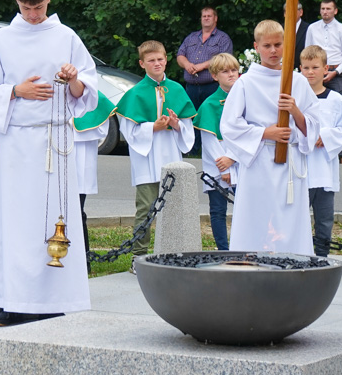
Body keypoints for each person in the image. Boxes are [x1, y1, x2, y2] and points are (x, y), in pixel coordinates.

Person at [0, 0, 97, 327]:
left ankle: (54, 298)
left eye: (39, 7)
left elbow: (86, 94)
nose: (32, 15)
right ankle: (8, 299)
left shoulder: (66, 36)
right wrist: (16, 91)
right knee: (13, 223)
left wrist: (73, 78)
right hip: (16, 142)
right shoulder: (1, 40)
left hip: (54, 141)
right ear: (17, 2)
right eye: (26, 8)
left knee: (52, 220)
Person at [220, 20, 321, 255]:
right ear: (257, 47)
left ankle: (293, 260)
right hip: (259, 161)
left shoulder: (297, 81)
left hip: (290, 161)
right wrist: (266, 132)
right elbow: (230, 126)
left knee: (289, 219)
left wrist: (295, 110)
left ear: (286, 45)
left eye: (278, 44)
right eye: (267, 46)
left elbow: (314, 125)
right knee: (257, 216)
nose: (273, 51)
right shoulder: (245, 82)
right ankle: (250, 261)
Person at [117, 40, 196, 271]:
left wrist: (176, 124)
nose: (157, 63)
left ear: (166, 60)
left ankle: (169, 254)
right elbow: (128, 131)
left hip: (171, 155)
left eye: (160, 59)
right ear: (142, 64)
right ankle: (138, 256)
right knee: (146, 208)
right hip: (146, 159)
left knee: (171, 207)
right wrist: (153, 127)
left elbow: (188, 129)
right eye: (151, 60)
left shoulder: (178, 90)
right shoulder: (136, 93)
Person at [300, 45, 342, 257]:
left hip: (324, 169)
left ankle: (322, 255)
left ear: (325, 69)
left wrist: (326, 137)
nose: (310, 72)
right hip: (302, 170)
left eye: (315, 67)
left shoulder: (335, 100)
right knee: (299, 217)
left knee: (324, 217)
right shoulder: (296, 99)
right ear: (299, 69)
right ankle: (300, 253)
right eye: (306, 67)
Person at [193, 52, 241, 251]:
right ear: (214, 76)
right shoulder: (210, 104)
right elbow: (210, 139)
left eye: (234, 70)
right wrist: (224, 166)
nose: (231, 75)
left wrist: (234, 158)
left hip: (241, 162)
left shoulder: (245, 100)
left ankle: (242, 246)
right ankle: (223, 249)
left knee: (244, 209)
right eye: (225, 71)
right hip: (218, 166)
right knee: (218, 211)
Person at [176, 7, 233, 155]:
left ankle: (212, 150)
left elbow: (224, 58)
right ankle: (191, 150)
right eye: (204, 16)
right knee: (190, 118)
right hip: (191, 87)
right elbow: (180, 55)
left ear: (215, 19)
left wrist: (201, 66)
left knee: (211, 118)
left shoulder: (222, 38)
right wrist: (187, 64)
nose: (206, 18)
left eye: (209, 16)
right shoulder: (191, 38)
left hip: (212, 87)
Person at [305, 0, 342, 163]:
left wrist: (335, 72)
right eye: (323, 9)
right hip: (314, 71)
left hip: (335, 71)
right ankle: (310, 142)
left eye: (328, 9)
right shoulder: (312, 28)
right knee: (310, 105)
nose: (325, 11)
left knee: (339, 109)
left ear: (335, 11)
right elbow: (307, 50)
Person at [73, 91, 116, 273]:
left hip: (79, 158)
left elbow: (101, 128)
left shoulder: (91, 95)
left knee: (77, 210)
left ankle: (83, 260)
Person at [285, 2, 309, 70]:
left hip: (302, 69)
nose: (290, 13)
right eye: (287, 11)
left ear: (301, 12)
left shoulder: (309, 28)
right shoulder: (280, 28)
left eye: (292, 10)